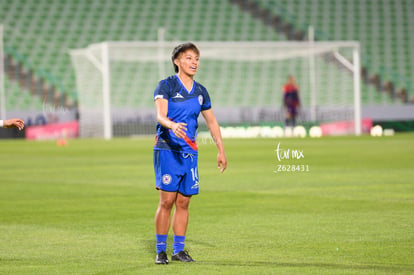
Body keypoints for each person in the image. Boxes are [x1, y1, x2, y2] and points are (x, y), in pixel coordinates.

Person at [153, 42, 227, 264]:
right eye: (188, 58)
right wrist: (171, 125)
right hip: (167, 150)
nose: (194, 62)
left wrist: (221, 150)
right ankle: (160, 251)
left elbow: (212, 123)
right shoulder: (166, 86)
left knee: (184, 202)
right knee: (167, 201)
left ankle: (178, 250)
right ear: (176, 61)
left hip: (190, 153)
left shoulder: (201, 91)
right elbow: (160, 116)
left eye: (196, 58)